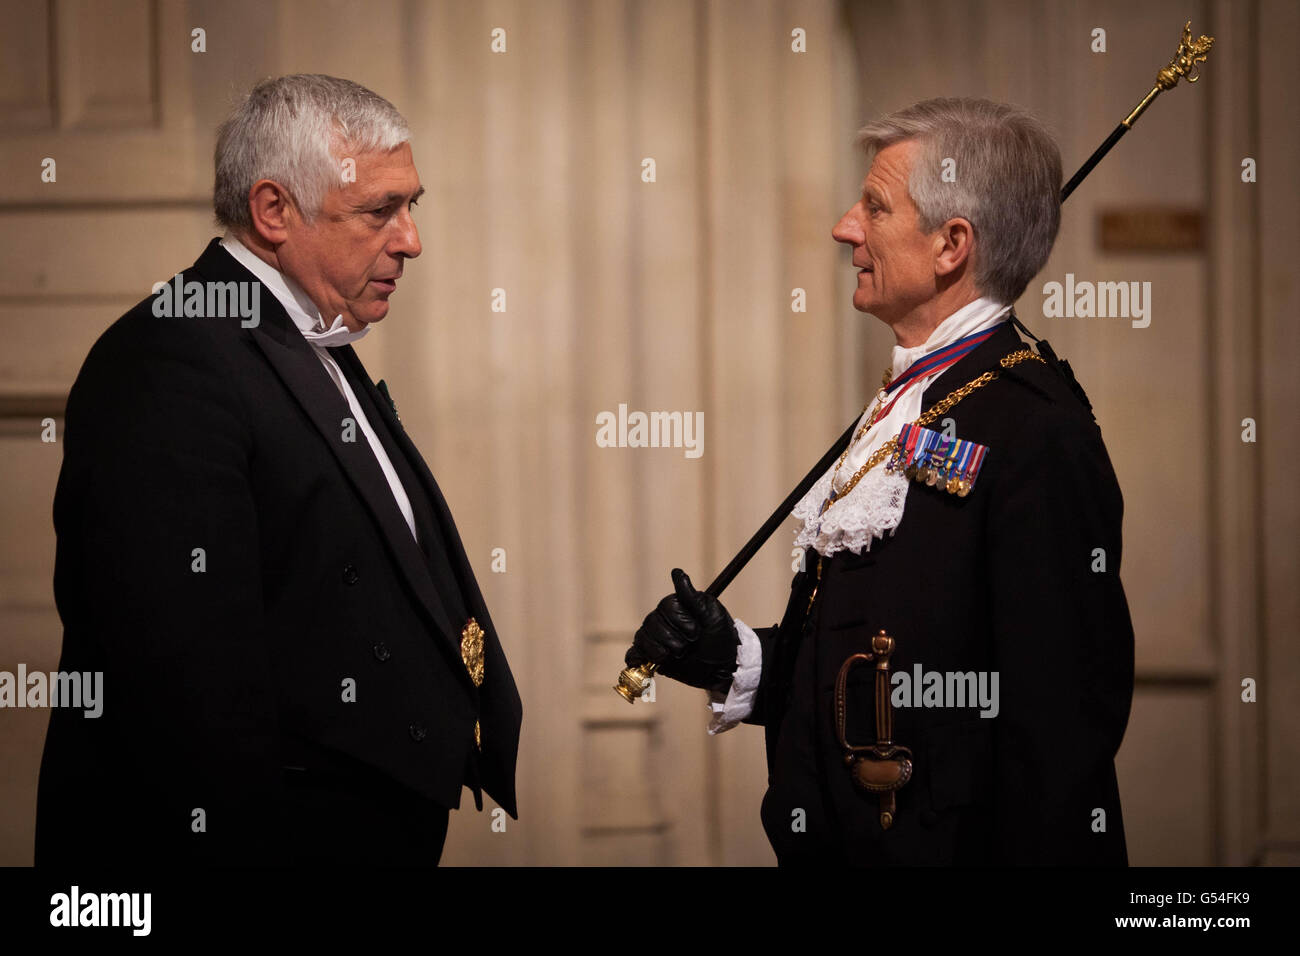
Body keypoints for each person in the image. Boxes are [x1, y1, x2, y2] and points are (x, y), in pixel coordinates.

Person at [628, 98, 1134, 865]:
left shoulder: (1037, 430)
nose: (845, 227)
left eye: (874, 206)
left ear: (950, 246)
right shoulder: (919, 396)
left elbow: (1059, 733)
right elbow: (881, 663)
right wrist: (733, 657)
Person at [35, 74, 521, 865]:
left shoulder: (296, 332)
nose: (410, 239)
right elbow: (183, 690)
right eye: (378, 212)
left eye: (412, 206)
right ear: (273, 212)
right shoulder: (171, 359)